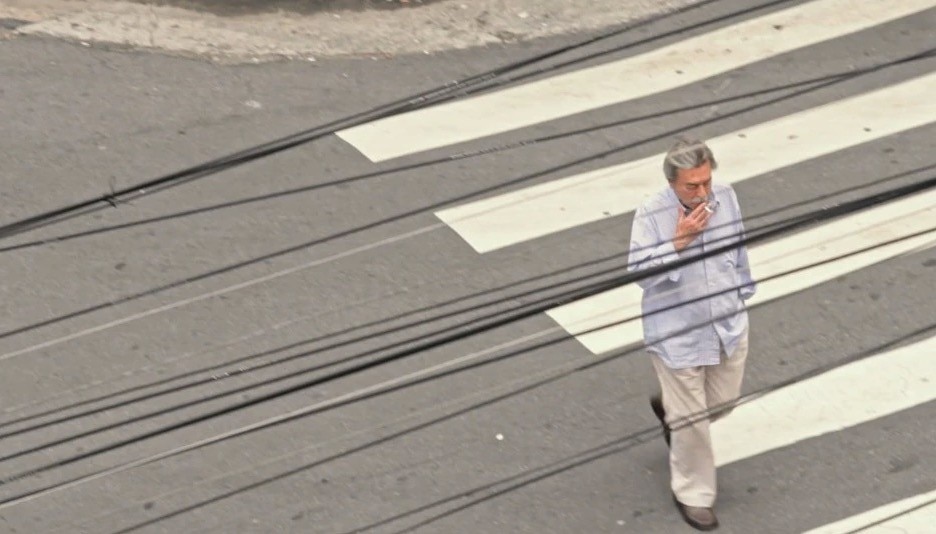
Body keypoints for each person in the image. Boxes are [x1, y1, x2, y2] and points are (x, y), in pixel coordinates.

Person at [626, 136, 756, 531]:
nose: (701, 193)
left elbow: (738, 246)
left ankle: (672, 414)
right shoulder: (652, 214)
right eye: (691, 186)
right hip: (677, 335)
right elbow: (639, 273)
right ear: (672, 183)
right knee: (694, 422)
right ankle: (694, 494)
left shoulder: (726, 197)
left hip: (726, 323)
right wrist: (677, 243)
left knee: (723, 402)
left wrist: (743, 290)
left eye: (705, 182)